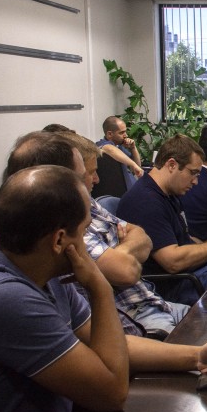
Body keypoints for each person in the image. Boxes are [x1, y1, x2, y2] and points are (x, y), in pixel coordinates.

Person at [0, 165, 207, 412]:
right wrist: (99, 286)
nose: (88, 241)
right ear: (60, 240)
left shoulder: (38, 268)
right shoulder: (7, 299)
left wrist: (196, 357)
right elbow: (111, 392)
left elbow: (115, 343)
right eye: (86, 230)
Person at [58, 132, 190, 334]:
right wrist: (126, 252)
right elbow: (126, 272)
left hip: (153, 302)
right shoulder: (68, 227)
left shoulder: (90, 204)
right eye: (90, 172)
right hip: (135, 316)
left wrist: (119, 251)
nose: (97, 179)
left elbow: (142, 236)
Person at [116, 135, 207, 305]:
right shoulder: (146, 201)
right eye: (193, 173)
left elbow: (182, 240)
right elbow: (173, 262)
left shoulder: (167, 194)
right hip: (178, 286)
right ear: (171, 165)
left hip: (193, 275)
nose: (196, 181)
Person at [96, 116, 144, 186]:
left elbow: (138, 166)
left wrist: (133, 148)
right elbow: (109, 148)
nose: (126, 135)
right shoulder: (101, 144)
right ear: (110, 134)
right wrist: (133, 164)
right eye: (121, 133)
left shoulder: (119, 146)